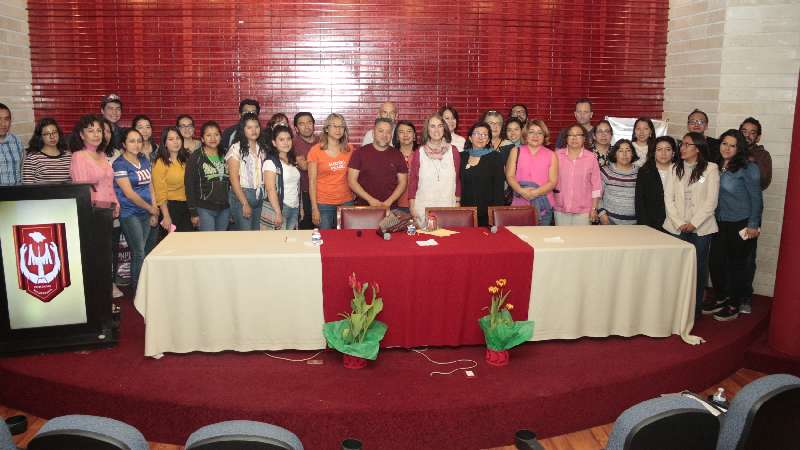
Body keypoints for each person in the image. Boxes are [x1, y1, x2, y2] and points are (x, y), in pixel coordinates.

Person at [704, 129, 762, 321]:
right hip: (719, 221)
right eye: (724, 143)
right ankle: (721, 297)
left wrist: (753, 224)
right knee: (716, 262)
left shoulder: (748, 167)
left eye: (732, 145)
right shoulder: (716, 165)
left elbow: (756, 198)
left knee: (737, 265)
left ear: (739, 148)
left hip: (741, 222)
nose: (727, 148)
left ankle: (735, 303)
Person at [664, 132, 720, 318]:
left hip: (701, 228)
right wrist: (680, 223)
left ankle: (693, 310)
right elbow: (668, 199)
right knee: (676, 268)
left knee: (698, 269)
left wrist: (694, 223)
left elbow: (710, 202)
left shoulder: (711, 169)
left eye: (687, 145)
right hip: (676, 227)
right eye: (682, 144)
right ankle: (674, 308)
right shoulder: (674, 168)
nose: (683, 148)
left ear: (698, 148)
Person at [113, 129, 158, 291]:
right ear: (124, 144)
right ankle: (137, 290)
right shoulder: (119, 164)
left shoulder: (144, 160)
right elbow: (129, 194)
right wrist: (151, 209)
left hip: (147, 211)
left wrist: (154, 208)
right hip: (130, 213)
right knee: (138, 251)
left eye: (139, 140)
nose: (136, 144)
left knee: (146, 250)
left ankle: (145, 285)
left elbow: (151, 186)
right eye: (132, 141)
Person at [738, 116, 771, 314]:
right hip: (728, 212)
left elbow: (764, 181)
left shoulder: (762, 155)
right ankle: (726, 293)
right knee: (726, 256)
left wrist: (750, 161)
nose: (748, 135)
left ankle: (745, 297)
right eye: (744, 131)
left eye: (752, 132)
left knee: (748, 257)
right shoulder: (730, 149)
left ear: (758, 137)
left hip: (751, 212)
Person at [408, 113, 461, 228]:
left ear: (444, 128)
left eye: (440, 125)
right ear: (427, 130)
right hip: (423, 207)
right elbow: (413, 181)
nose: (436, 130)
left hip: (447, 205)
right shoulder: (419, 152)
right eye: (432, 126)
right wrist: (412, 207)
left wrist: (457, 203)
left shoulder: (454, 151)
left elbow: (457, 180)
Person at [348, 118, 408, 210]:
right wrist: (370, 200)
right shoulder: (359, 153)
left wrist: (389, 202)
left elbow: (403, 182)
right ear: (373, 133)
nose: (384, 135)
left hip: (391, 209)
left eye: (388, 132)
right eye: (381, 131)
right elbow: (352, 181)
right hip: (365, 209)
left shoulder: (398, 155)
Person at [506, 119, 557, 225]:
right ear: (525, 135)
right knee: (518, 239)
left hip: (544, 205)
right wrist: (522, 191)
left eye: (539, 133)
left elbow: (553, 182)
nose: (535, 136)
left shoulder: (551, 155)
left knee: (541, 240)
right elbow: (510, 176)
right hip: (519, 204)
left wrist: (535, 193)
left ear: (544, 136)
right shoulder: (516, 151)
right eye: (531, 132)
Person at [308, 113, 354, 229]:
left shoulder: (350, 149)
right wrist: (314, 208)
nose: (338, 129)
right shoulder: (315, 151)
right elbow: (312, 181)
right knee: (326, 240)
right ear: (327, 129)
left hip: (346, 202)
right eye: (334, 126)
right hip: (323, 204)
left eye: (341, 126)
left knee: (346, 240)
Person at [185, 121, 230, 231]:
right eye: (208, 135)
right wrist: (193, 212)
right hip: (204, 208)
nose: (213, 138)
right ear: (202, 139)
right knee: (208, 244)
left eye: (216, 134)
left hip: (224, 208)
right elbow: (189, 185)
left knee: (220, 242)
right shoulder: (196, 157)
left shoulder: (227, 155)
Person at [552, 124, 602, 225]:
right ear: (566, 138)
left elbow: (596, 186)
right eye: (571, 135)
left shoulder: (591, 158)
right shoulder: (557, 155)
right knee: (562, 238)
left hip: (584, 211)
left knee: (582, 240)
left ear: (584, 138)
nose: (574, 138)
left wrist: (594, 208)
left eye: (578, 135)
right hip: (561, 208)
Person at [226, 112, 268, 231]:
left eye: (256, 127)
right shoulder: (236, 148)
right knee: (246, 236)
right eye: (249, 127)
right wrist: (244, 203)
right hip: (242, 196)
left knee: (256, 234)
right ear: (242, 130)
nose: (254, 130)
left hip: (259, 195)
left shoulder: (263, 148)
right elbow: (233, 179)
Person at [70, 114, 118, 215]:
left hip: (109, 209)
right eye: (91, 131)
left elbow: (109, 184)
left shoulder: (102, 154)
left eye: (99, 131)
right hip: (91, 212)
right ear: (82, 135)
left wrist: (116, 204)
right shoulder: (78, 156)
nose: (96, 135)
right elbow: (81, 191)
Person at [460, 122, 505, 227]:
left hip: (487, 213)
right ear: (470, 138)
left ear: (488, 140)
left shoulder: (495, 157)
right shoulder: (462, 156)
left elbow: (498, 189)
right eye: (477, 134)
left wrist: (496, 214)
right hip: (464, 211)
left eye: (485, 135)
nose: (481, 137)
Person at [261, 125, 302, 230]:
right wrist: (278, 212)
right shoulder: (270, 162)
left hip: (294, 207)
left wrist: (300, 207)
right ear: (274, 143)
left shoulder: (293, 161)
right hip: (280, 207)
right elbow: (270, 190)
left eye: (288, 139)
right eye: (281, 139)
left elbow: (297, 185)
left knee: (291, 241)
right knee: (278, 243)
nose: (286, 142)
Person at [152, 127, 192, 233]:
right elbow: (160, 192)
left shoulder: (187, 159)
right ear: (164, 143)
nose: (175, 142)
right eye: (171, 139)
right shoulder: (160, 163)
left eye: (178, 138)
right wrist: (166, 216)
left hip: (188, 207)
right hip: (170, 207)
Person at [635, 135, 676, 232]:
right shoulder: (645, 172)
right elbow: (640, 201)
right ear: (653, 152)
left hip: (676, 224)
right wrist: (644, 226)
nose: (663, 153)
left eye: (668, 149)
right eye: (659, 149)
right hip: (651, 224)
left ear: (673, 153)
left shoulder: (680, 171)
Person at [598, 139, 639, 225]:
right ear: (615, 154)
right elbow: (598, 196)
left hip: (635, 224)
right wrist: (602, 214)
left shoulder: (640, 173)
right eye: (620, 151)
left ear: (632, 153)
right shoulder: (606, 171)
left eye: (628, 150)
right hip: (609, 222)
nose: (624, 154)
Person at [22, 118, 71, 184]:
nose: (52, 136)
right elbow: (28, 189)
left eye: (54, 132)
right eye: (47, 134)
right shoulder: (32, 159)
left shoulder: (68, 156)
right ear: (40, 137)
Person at [293, 112, 318, 229]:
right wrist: (323, 162)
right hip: (304, 192)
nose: (307, 126)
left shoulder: (322, 141)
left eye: (309, 122)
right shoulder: (294, 143)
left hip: (324, 191)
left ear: (314, 124)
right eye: (302, 124)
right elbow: (304, 166)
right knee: (307, 227)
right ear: (296, 128)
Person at [392, 120, 418, 213]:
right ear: (397, 136)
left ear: (414, 135)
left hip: (418, 204)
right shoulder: (391, 155)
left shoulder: (422, 153)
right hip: (395, 205)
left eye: (409, 131)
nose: (405, 135)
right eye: (401, 132)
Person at [0, 102, 23, 185]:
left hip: (17, 194)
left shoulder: (16, 141)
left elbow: (21, 171)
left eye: (6, 119)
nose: (3, 124)